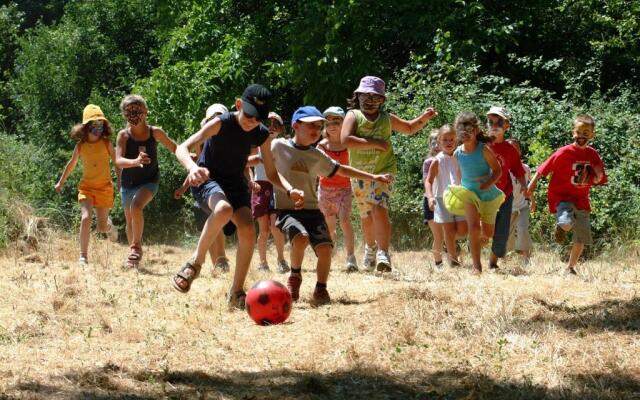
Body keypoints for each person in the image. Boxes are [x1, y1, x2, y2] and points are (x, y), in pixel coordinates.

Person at [171, 84, 303, 310]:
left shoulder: (261, 134)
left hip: (236, 184)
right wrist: (192, 168)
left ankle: (236, 291)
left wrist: (290, 189)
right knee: (223, 210)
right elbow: (182, 148)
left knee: (248, 229)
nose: (252, 121)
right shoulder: (221, 122)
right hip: (208, 178)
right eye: (249, 114)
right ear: (238, 104)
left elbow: (271, 173)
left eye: (258, 118)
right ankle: (194, 264)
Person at [272, 106, 392, 305]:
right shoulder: (278, 146)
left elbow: (343, 170)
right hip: (288, 210)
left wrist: (373, 176)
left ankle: (321, 288)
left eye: (319, 127)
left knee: (326, 248)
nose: (316, 130)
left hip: (312, 210)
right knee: (300, 238)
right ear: (295, 125)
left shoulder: (317, 155)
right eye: (311, 126)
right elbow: (261, 161)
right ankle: (295, 276)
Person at [340, 76, 437, 272]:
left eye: (375, 97)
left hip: (385, 171)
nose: (369, 100)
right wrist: (375, 143)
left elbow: (409, 128)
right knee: (366, 217)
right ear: (357, 96)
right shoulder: (353, 115)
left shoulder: (387, 118)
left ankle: (383, 253)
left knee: (379, 208)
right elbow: (345, 140)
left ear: (382, 100)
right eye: (365, 96)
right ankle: (370, 248)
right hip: (359, 175)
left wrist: (423, 119)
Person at [527, 114, 606, 275]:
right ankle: (561, 227)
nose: (582, 135)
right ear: (573, 133)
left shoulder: (592, 154)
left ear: (592, 135)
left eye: (586, 132)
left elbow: (599, 173)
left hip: (581, 200)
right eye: (579, 132)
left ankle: (570, 267)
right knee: (566, 223)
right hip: (562, 196)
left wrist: (598, 175)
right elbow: (543, 169)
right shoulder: (563, 152)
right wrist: (531, 186)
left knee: (581, 238)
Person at [116, 95, 177, 268]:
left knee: (136, 207)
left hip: (149, 181)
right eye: (129, 111)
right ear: (123, 114)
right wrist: (135, 161)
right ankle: (133, 257)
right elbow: (118, 161)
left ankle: (136, 248)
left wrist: (190, 159)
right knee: (130, 221)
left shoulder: (155, 132)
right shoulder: (123, 136)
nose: (134, 114)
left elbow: (174, 147)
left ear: (146, 112)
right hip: (128, 183)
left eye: (137, 110)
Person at [174, 103, 235, 274]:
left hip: (218, 187)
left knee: (218, 217)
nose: (216, 122)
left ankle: (221, 259)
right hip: (202, 189)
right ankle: (217, 262)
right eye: (212, 119)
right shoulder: (200, 142)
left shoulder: (230, 144)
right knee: (207, 225)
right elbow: (196, 168)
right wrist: (183, 188)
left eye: (220, 118)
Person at [55, 105, 119, 265]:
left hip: (104, 187)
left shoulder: (106, 144)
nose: (97, 128)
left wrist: (120, 181)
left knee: (101, 228)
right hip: (87, 188)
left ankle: (110, 228)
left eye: (100, 124)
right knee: (86, 218)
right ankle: (83, 256)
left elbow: (117, 163)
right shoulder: (80, 146)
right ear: (86, 127)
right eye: (94, 124)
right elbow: (71, 164)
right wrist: (60, 182)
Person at [443, 112, 504, 274]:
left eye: (468, 131)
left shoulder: (483, 150)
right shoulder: (457, 153)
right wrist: (460, 187)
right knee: (474, 228)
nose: (465, 135)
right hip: (469, 193)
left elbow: (498, 170)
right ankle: (477, 267)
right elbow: (459, 173)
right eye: (461, 133)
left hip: (487, 193)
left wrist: (489, 183)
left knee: (488, 233)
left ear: (476, 131)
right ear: (457, 134)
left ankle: (475, 241)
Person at [317, 106, 358, 273]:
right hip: (325, 189)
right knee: (330, 226)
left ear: (344, 123)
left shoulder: (349, 145)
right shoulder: (321, 146)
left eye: (337, 121)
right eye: (328, 123)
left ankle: (350, 257)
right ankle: (329, 255)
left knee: (345, 220)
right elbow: (316, 169)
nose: (332, 125)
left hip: (345, 189)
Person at [485, 106, 527, 271]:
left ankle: (493, 263)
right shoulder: (482, 145)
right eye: (491, 121)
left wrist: (524, 185)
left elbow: (518, 170)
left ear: (507, 125)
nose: (495, 124)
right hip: (484, 193)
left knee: (502, 230)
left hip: (504, 194)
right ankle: (472, 255)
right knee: (483, 229)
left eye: (499, 121)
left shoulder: (510, 150)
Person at [250, 111, 289, 273]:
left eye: (276, 124)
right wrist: (251, 181)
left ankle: (281, 260)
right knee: (264, 229)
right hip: (260, 187)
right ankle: (263, 263)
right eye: (268, 123)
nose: (271, 127)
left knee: (276, 226)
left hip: (276, 186)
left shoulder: (283, 144)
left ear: (281, 129)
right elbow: (248, 165)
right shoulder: (256, 144)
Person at [425, 125, 467, 268]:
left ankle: (448, 244)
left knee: (462, 230)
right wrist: (430, 198)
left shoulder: (460, 157)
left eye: (452, 139)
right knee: (448, 232)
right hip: (442, 199)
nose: (449, 142)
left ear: (456, 140)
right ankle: (453, 261)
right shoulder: (437, 160)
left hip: (459, 198)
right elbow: (428, 181)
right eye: (445, 140)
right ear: (439, 141)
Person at [506, 138, 534, 265]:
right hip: (507, 208)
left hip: (522, 206)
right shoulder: (501, 169)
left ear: (520, 152)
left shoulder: (525, 168)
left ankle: (526, 260)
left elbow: (528, 187)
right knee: (508, 236)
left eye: (516, 148)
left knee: (523, 229)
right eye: (509, 148)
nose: (513, 151)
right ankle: (504, 259)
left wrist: (533, 200)